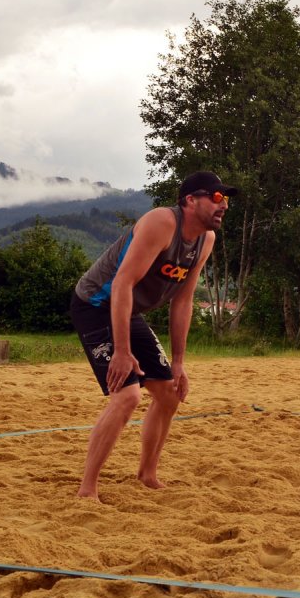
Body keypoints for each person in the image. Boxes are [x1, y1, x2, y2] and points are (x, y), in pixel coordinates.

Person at [70, 171, 237, 500]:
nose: (224, 206)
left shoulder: (206, 239)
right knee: (128, 396)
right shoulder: (162, 222)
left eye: (226, 200)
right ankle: (87, 487)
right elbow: (121, 284)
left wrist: (178, 362)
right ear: (190, 200)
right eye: (217, 198)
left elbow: (183, 299)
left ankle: (147, 474)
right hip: (96, 303)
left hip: (126, 309)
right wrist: (121, 351)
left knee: (170, 394)